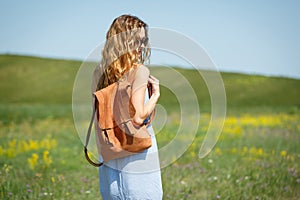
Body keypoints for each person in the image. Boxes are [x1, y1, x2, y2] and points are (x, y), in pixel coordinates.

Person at [91, 14, 163, 200]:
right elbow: (138, 117)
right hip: (137, 150)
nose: (141, 47)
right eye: (136, 41)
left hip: (110, 149)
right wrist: (155, 96)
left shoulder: (99, 73)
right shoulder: (139, 71)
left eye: (143, 41)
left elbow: (98, 117)